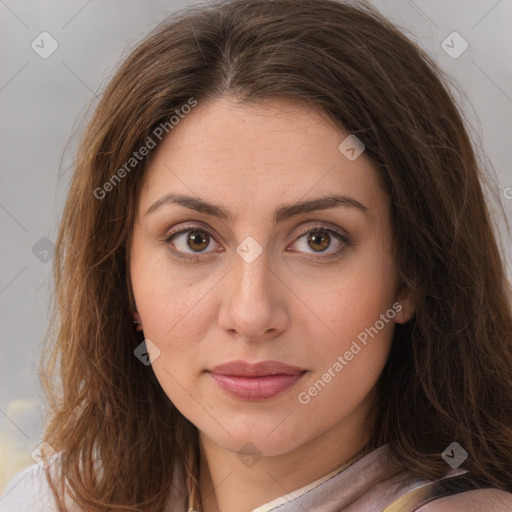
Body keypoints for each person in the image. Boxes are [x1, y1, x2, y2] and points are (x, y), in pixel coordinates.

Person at [1, 0, 512, 510]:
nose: (251, 315)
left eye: (319, 239)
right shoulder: (47, 498)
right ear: (123, 275)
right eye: (194, 239)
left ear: (410, 276)